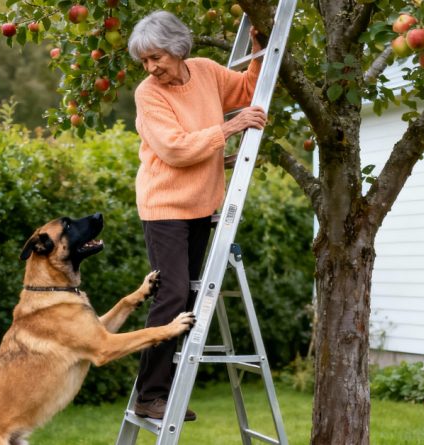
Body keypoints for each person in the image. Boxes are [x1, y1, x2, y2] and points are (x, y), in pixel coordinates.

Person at [126, 10, 267, 421]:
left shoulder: (205, 71)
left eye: (157, 58)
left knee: (187, 295)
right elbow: (174, 149)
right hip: (165, 206)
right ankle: (149, 396)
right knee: (171, 295)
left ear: (177, 48)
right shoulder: (149, 93)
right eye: (145, 62)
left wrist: (258, 52)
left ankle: (163, 393)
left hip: (202, 206)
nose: (152, 68)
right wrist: (229, 129)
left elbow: (246, 91)